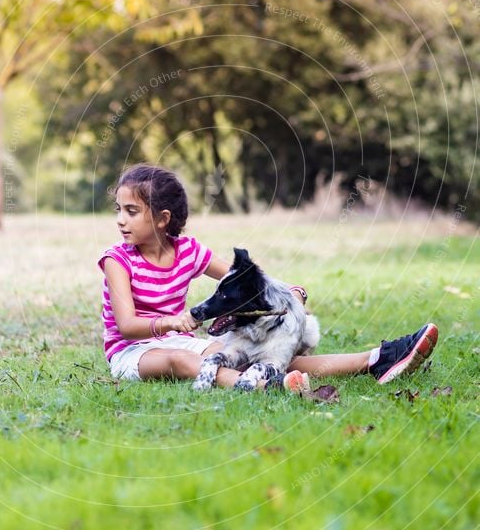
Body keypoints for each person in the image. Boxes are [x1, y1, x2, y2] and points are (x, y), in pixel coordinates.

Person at [98, 163, 438, 393]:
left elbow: (243, 279)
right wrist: (172, 323)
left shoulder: (187, 251)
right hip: (133, 351)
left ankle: (377, 358)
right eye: (119, 210)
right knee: (182, 361)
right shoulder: (117, 261)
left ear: (162, 219)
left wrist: (282, 292)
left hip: (178, 338)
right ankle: (264, 385)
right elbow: (126, 325)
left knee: (254, 351)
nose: (120, 220)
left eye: (131, 211)